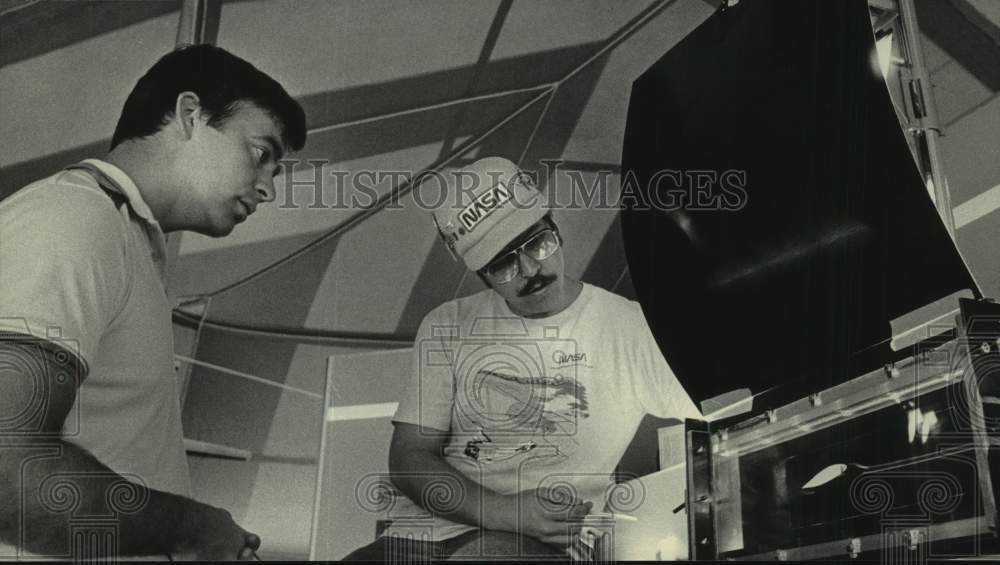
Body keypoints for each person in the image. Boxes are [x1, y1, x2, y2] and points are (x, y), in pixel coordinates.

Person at [0, 44, 305, 560]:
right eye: (260, 153)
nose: (269, 186)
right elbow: (8, 471)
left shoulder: (123, 238)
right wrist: (191, 527)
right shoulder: (70, 219)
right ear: (190, 114)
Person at [342, 157, 701, 561]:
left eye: (537, 242)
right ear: (482, 275)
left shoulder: (630, 328)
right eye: (503, 263)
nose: (530, 269)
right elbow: (409, 458)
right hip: (416, 538)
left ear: (556, 227)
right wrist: (505, 511)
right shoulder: (448, 323)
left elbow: (733, 404)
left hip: (536, 547)